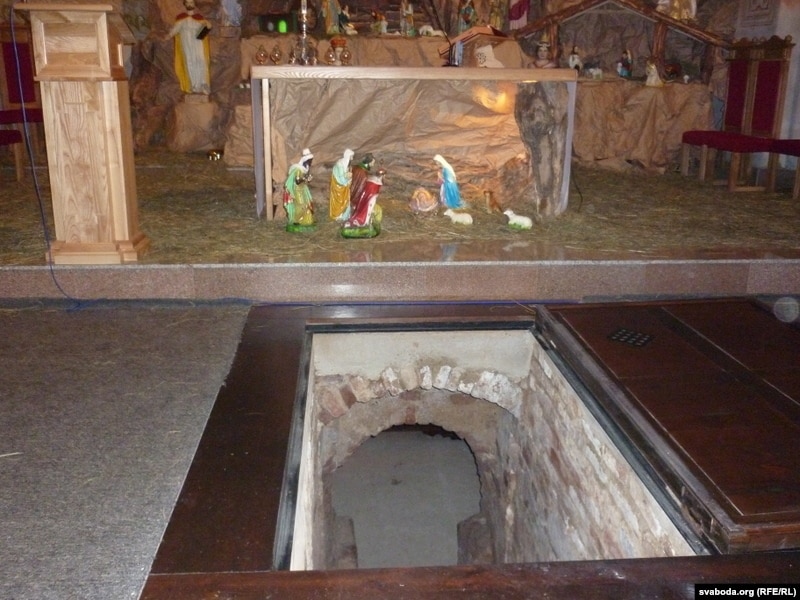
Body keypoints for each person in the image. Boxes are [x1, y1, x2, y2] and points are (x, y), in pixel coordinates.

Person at [169, 0, 212, 95]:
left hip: (198, 43)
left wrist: (207, 26)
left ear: (194, 4)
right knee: (190, 62)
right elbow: (175, 30)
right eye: (187, 2)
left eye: (191, 2)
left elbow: (206, 28)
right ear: (185, 4)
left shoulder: (199, 18)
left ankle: (203, 84)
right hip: (187, 44)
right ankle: (193, 85)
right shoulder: (181, 18)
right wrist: (168, 35)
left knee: (201, 61)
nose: (189, 4)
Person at [344, 168, 385, 234]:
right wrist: (372, 198)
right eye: (384, 176)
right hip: (368, 200)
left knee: (361, 210)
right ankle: (361, 223)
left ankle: (357, 221)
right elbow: (372, 192)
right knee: (365, 212)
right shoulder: (375, 182)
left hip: (365, 199)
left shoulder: (372, 180)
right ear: (382, 176)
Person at [283, 149, 316, 230]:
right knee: (301, 205)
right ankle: (295, 219)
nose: (311, 162)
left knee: (306, 204)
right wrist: (305, 179)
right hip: (297, 190)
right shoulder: (298, 170)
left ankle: (305, 220)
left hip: (302, 189)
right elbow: (297, 181)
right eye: (310, 161)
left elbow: (303, 180)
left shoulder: (305, 169)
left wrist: (307, 179)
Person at [329, 148, 354, 221]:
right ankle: (338, 216)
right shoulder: (340, 165)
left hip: (345, 188)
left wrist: (349, 178)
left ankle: (345, 216)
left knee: (346, 201)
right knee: (339, 202)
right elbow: (341, 179)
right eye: (351, 157)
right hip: (339, 187)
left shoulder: (347, 165)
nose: (352, 159)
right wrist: (348, 178)